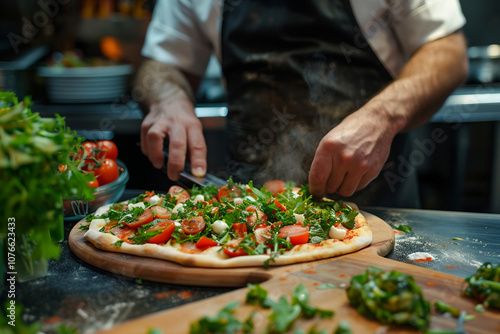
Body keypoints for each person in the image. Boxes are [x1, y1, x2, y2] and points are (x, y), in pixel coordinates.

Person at [137, 0, 468, 208]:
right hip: (250, 207)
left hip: (379, 201)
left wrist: (383, 116)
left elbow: (448, 52)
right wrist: (167, 97)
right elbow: (162, 65)